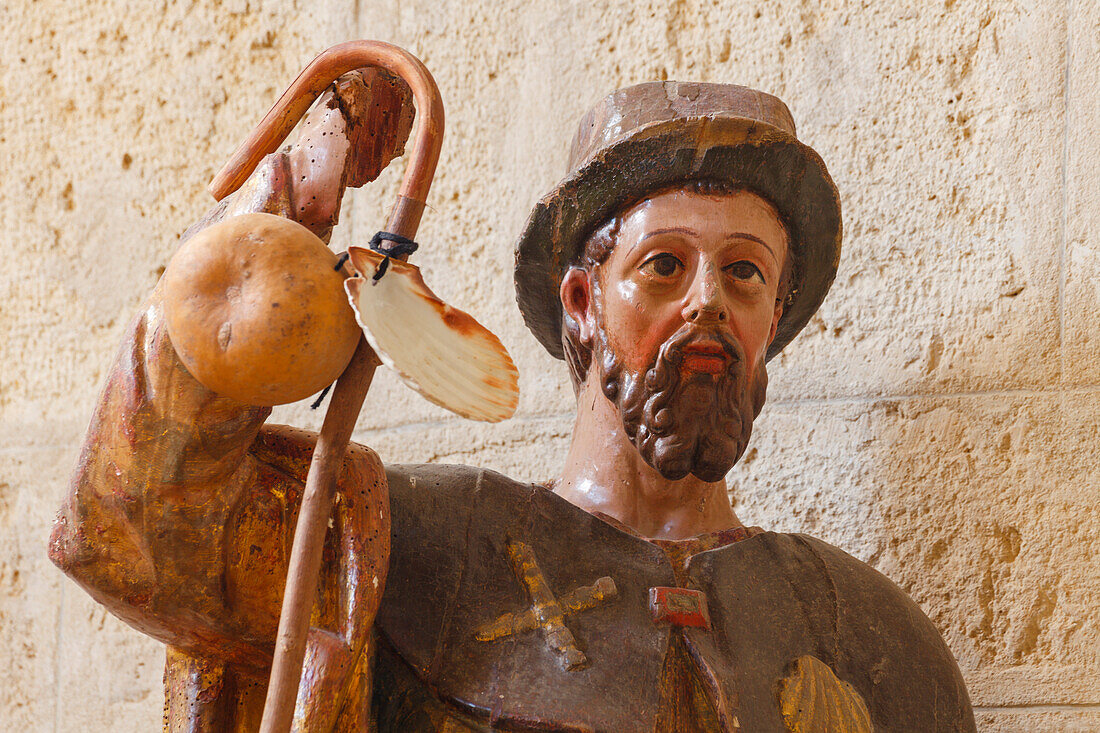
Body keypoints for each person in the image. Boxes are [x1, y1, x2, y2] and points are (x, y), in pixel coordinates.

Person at [50, 74, 975, 732]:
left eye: (742, 272)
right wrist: (269, 244)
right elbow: (135, 529)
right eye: (663, 265)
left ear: (772, 315)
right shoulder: (408, 547)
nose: (706, 303)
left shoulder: (867, 634)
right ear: (583, 301)